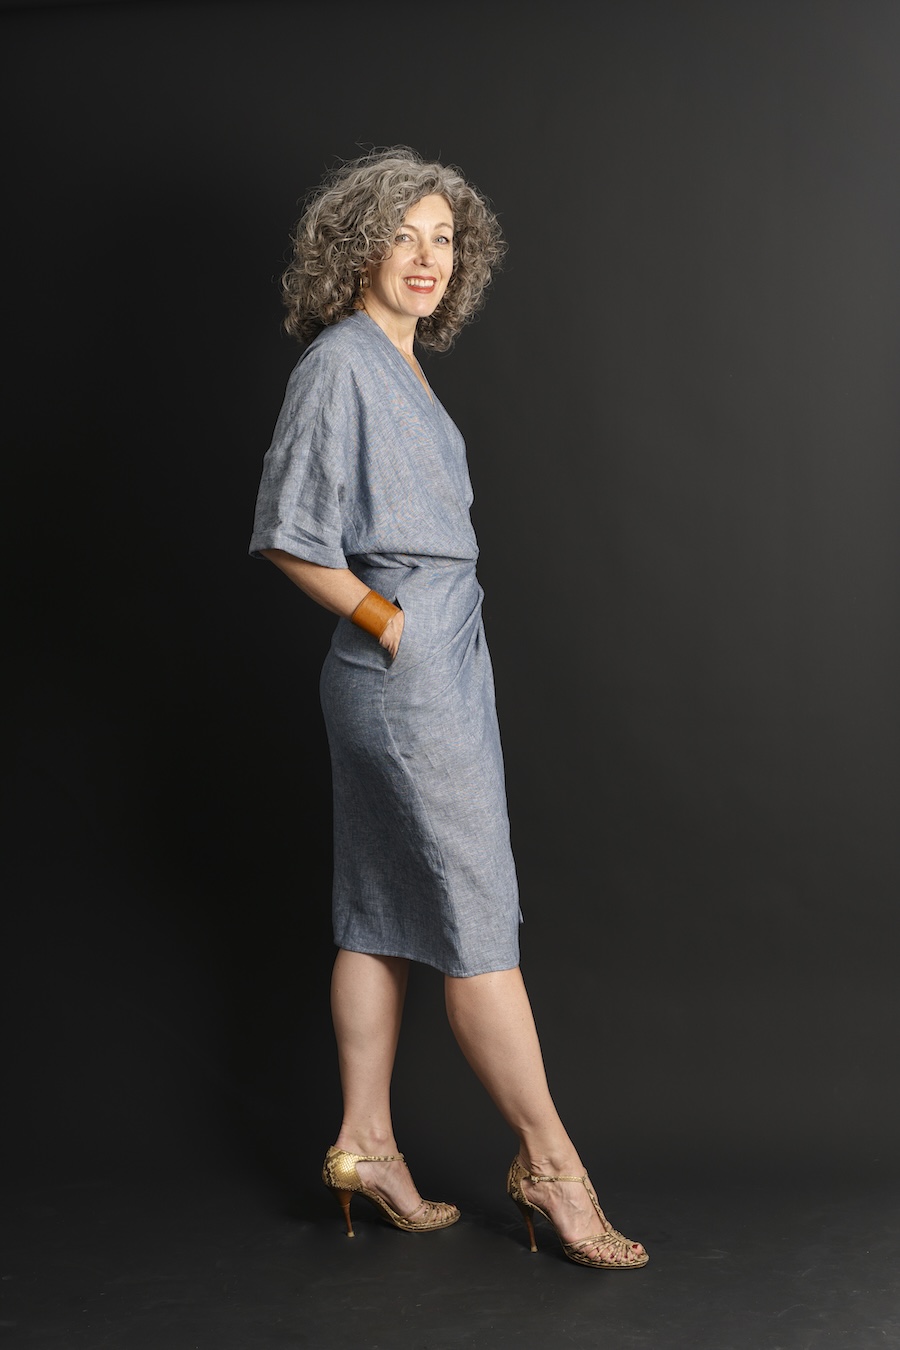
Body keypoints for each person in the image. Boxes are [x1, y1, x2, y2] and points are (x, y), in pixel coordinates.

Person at [249, 147, 647, 1270]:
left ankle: (365, 1144)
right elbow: (287, 531)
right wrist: (390, 622)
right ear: (356, 248)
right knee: (477, 930)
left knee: (377, 912)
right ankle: (551, 1166)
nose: (427, 259)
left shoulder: (399, 359)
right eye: (404, 236)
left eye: (444, 240)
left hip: (436, 659)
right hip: (407, 670)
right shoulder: (341, 364)